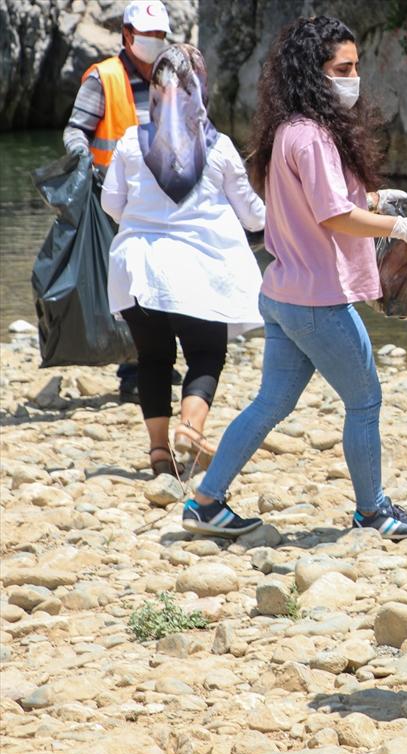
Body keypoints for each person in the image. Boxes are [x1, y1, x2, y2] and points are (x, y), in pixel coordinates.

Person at [181, 15, 407, 538]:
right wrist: (402, 226)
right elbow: (333, 216)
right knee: (366, 400)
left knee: (271, 402)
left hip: (283, 292)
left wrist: (377, 199)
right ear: (313, 73)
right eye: (341, 68)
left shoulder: (289, 130)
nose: (353, 77)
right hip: (319, 302)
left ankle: (205, 502)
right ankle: (372, 511)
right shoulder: (315, 137)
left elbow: (331, 204)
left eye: (356, 66)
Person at [100, 44, 265, 478]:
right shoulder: (221, 147)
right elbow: (252, 215)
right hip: (201, 274)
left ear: (155, 88)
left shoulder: (131, 143)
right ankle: (190, 430)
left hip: (138, 271)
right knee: (207, 354)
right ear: (200, 88)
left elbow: (111, 204)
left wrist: (147, 222)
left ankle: (158, 455)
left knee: (153, 359)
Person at [64, 0, 174, 404]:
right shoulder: (104, 78)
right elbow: (76, 131)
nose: (154, 42)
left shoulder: (169, 76)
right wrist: (83, 163)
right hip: (114, 198)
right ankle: (134, 371)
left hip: (164, 195)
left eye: (160, 36)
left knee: (163, 280)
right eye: (147, 36)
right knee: (134, 288)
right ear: (127, 36)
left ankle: (158, 362)